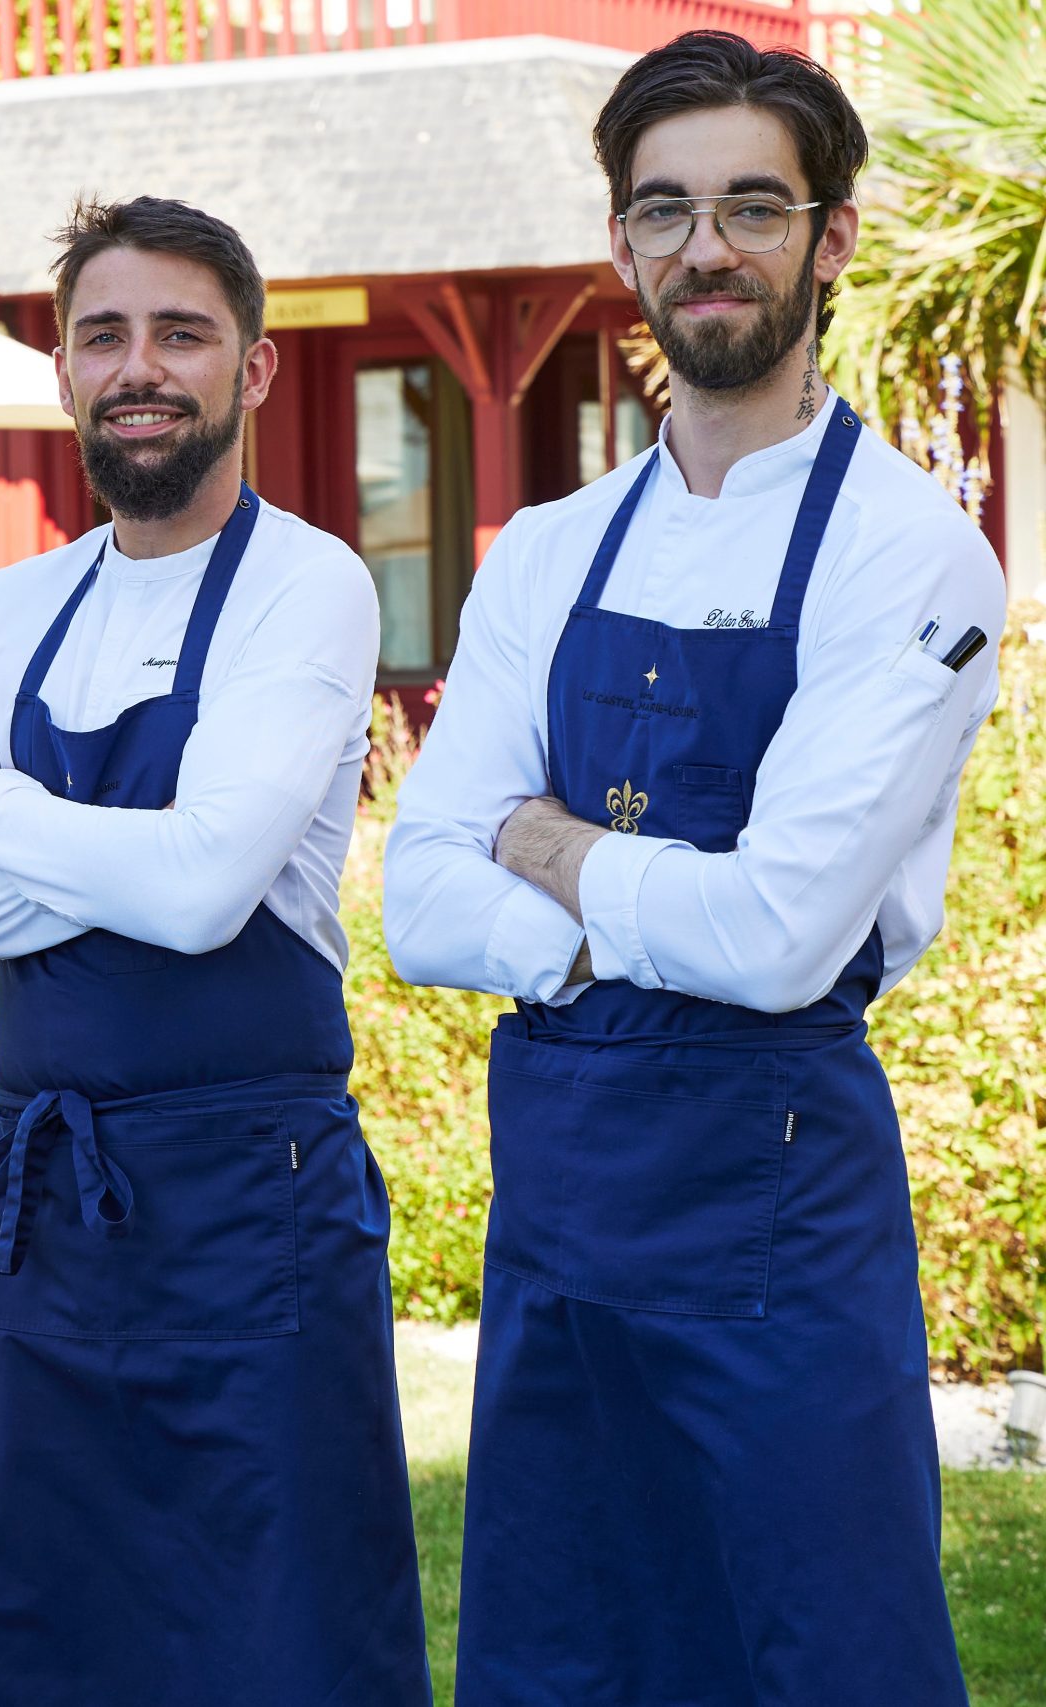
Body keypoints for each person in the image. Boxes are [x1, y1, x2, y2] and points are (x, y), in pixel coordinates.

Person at [385, 32, 1002, 1705]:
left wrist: (545, 841)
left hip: (779, 1211)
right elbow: (419, 897)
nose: (704, 249)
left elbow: (784, 936)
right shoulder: (552, 550)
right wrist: (624, 924)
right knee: (564, 1650)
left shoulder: (913, 554)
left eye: (750, 205)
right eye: (663, 211)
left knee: (819, 1650)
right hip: (561, 1211)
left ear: (832, 237)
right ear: (622, 247)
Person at [0, 197, 429, 1706]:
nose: (140, 368)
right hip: (48, 1215)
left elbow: (202, 902)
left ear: (254, 371)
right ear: (62, 374)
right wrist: (145, 849)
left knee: (282, 1629)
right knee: (52, 1633)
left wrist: (1, 813)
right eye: (103, 335)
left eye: (182, 332)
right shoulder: (13, 605)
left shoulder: (308, 585)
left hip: (260, 1212)